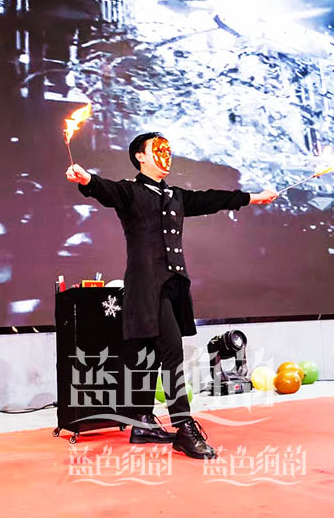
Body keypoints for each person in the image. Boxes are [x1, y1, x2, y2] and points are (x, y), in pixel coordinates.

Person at [65, 132, 277, 459]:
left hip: (172, 286)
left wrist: (253, 198)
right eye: (158, 149)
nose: (166, 155)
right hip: (146, 287)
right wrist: (86, 180)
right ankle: (183, 427)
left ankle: (142, 423)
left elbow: (210, 199)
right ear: (140, 157)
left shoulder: (175, 196)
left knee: (150, 353)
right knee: (172, 349)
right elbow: (104, 189)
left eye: (168, 149)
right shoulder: (130, 192)